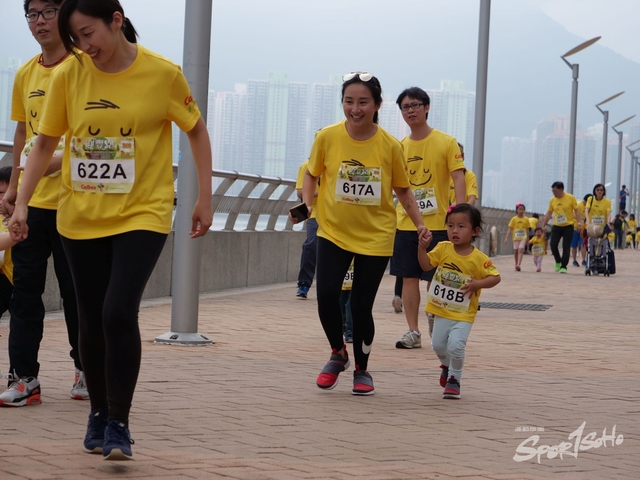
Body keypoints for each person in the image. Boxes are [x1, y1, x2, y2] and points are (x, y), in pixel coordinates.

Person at [8, 0, 213, 460]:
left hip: (143, 212)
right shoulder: (70, 74)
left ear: (116, 21)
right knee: (91, 318)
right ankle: (98, 413)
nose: (84, 46)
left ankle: (118, 421)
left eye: (89, 34)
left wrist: (204, 197)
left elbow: (196, 130)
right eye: (76, 39)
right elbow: (43, 143)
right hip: (80, 215)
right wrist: (21, 203)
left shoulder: (162, 73)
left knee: (118, 312)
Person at [290, 72, 430, 396]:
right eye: (349, 101)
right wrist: (307, 205)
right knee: (326, 296)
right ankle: (337, 352)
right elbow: (311, 174)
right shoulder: (327, 137)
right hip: (333, 231)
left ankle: (362, 369)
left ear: (377, 105)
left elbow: (403, 191)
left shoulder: (390, 145)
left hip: (375, 236)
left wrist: (420, 224)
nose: (355, 109)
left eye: (363, 102)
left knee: (360, 306)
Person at [0, 0, 87, 408]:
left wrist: (58, 162)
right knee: (24, 294)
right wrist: (13, 190)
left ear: (65, 14)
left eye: (49, 11)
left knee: (77, 294)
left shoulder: (86, 67)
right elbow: (22, 133)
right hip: (31, 205)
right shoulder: (25, 73)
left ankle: (86, 369)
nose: (40, 21)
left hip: (75, 203)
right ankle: (24, 379)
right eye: (32, 14)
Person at [390, 87, 465, 348]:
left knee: (436, 278)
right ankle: (413, 331)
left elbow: (458, 178)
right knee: (408, 277)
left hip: (438, 225)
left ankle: (435, 315)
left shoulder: (447, 142)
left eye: (415, 105)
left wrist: (461, 217)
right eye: (405, 107)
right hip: (406, 224)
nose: (410, 110)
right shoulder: (399, 147)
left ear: (427, 107)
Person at [417, 204, 501, 399]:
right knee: (438, 345)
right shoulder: (442, 248)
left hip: (464, 314)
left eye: (461, 226)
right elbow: (426, 265)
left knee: (456, 345)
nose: (454, 231)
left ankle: (454, 380)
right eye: (450, 226)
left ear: (475, 231)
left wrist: (477, 284)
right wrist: (422, 248)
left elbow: (495, 277)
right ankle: (447, 365)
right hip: (441, 310)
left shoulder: (478, 258)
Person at [541, 181, 581, 273]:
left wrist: (579, 223)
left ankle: (564, 266)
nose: (554, 193)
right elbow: (549, 213)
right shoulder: (552, 200)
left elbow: (576, 211)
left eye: (555, 191)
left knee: (566, 247)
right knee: (553, 245)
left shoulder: (570, 198)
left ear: (561, 189)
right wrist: (543, 225)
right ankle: (558, 261)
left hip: (568, 226)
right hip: (556, 226)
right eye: (552, 191)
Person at [294, 159, 319, 299]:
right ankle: (304, 283)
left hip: (335, 214)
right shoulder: (306, 166)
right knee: (311, 245)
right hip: (315, 214)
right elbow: (300, 192)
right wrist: (321, 193)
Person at [0, 166, 17, 316]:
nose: (3, 199)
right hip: (2, 275)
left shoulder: (24, 215)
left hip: (16, 276)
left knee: (22, 317)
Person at [504, 202, 529, 271]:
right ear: (517, 210)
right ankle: (516, 263)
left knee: (520, 250)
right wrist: (506, 238)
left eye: (522, 209)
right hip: (515, 238)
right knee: (516, 251)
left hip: (523, 237)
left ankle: (518, 264)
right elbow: (510, 228)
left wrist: (528, 239)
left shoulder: (526, 219)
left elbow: (527, 230)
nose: (521, 211)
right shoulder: (514, 219)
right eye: (520, 209)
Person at [570, 194, 588, 267]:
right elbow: (573, 214)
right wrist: (579, 222)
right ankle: (574, 260)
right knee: (574, 245)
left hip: (584, 228)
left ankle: (583, 260)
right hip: (575, 228)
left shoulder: (588, 207)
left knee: (583, 244)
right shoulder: (578, 204)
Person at [340, 260, 354, 343]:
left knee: (350, 304)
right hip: (342, 282)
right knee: (341, 304)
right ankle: (343, 326)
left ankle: (349, 329)